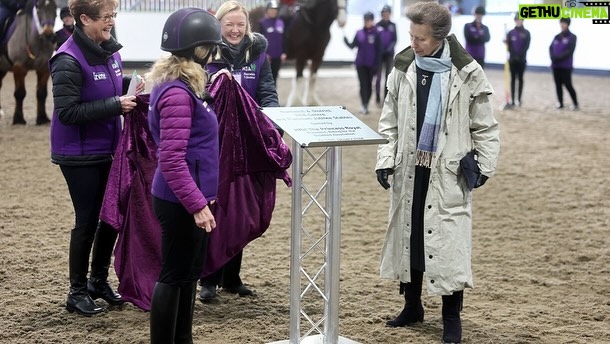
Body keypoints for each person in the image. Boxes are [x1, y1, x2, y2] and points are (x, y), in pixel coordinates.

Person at [374, 2, 500, 343]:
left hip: (448, 173)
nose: (414, 44)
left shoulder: (468, 71)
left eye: (421, 38)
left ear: (440, 37)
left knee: (447, 245)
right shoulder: (402, 67)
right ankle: (412, 306)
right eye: (411, 36)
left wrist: (485, 164)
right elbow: (390, 122)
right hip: (409, 169)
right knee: (410, 237)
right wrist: (386, 157)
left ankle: (451, 318)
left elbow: (485, 126)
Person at [49, 0, 144, 317]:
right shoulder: (66, 60)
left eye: (114, 15)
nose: (111, 21)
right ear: (84, 19)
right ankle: (76, 292)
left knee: (111, 216)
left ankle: (98, 281)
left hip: (109, 148)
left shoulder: (112, 52)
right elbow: (68, 112)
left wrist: (132, 88)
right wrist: (117, 104)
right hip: (78, 154)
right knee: (87, 221)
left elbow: (112, 89)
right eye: (106, 17)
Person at [146, 8, 223, 343]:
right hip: (180, 200)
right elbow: (173, 159)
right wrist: (197, 205)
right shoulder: (178, 94)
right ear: (198, 49)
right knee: (174, 274)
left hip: (189, 196)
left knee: (188, 274)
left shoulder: (186, 88)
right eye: (210, 48)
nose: (213, 55)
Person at [198, 0, 281, 302]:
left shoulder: (258, 55)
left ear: (248, 26)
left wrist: (272, 121)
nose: (234, 30)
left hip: (247, 142)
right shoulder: (205, 52)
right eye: (228, 24)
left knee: (240, 209)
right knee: (214, 207)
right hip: (213, 143)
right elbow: (197, 93)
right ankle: (208, 278)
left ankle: (231, 278)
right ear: (218, 25)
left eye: (240, 25)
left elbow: (267, 92)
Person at [343, 11, 382, 115]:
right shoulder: (359, 32)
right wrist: (346, 41)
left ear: (372, 20)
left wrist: (377, 65)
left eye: (368, 20)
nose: (367, 22)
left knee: (369, 85)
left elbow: (379, 50)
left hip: (372, 65)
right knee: (362, 85)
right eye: (365, 20)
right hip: (360, 64)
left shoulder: (377, 33)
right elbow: (353, 45)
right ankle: (363, 104)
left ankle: (366, 103)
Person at [549, 17, 578, 110]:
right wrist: (552, 57)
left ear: (568, 24)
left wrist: (558, 58)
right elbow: (550, 48)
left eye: (564, 23)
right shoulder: (557, 36)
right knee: (558, 85)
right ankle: (560, 103)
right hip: (556, 65)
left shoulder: (572, 37)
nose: (562, 24)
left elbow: (570, 51)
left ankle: (575, 103)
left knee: (568, 84)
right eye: (561, 22)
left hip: (566, 66)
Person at [506, 13, 530, 107]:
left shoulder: (527, 33)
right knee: (512, 79)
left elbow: (526, 46)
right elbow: (509, 46)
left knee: (520, 79)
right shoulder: (510, 32)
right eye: (517, 19)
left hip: (522, 60)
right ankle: (512, 99)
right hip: (512, 60)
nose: (518, 21)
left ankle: (519, 99)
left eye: (520, 19)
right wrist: (513, 55)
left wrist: (519, 56)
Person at [258, 0, 286, 84]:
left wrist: (284, 52)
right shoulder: (262, 23)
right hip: (267, 56)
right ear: (267, 10)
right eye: (271, 9)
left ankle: (273, 96)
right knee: (265, 78)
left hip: (278, 55)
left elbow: (283, 38)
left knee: (275, 78)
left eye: (275, 9)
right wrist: (264, 54)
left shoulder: (280, 23)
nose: (273, 11)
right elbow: (260, 40)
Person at [375, 4, 397, 106]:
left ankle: (385, 97)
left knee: (388, 76)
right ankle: (377, 97)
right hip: (379, 55)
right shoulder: (377, 25)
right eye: (384, 13)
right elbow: (375, 39)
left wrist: (389, 48)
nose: (386, 15)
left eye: (387, 13)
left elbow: (394, 39)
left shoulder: (393, 25)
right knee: (378, 77)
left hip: (389, 55)